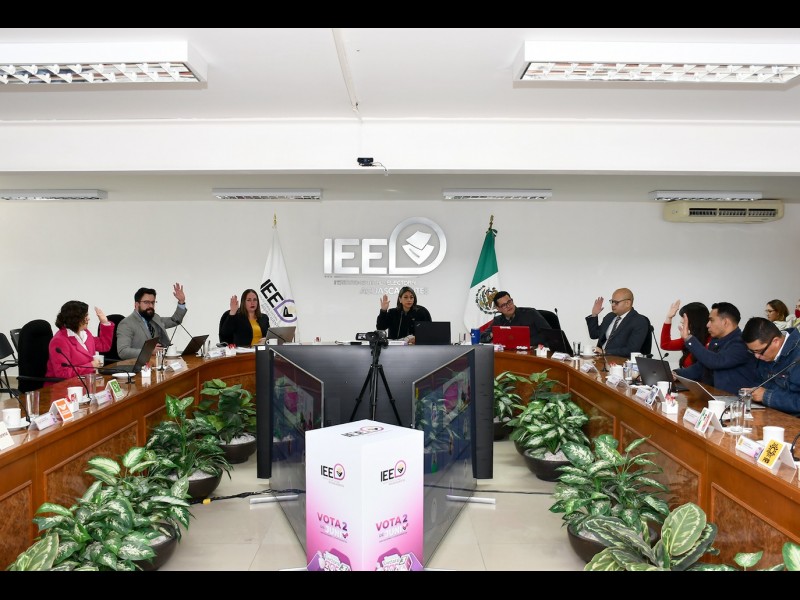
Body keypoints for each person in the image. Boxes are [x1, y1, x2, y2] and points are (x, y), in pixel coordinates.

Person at [674, 302, 758, 395]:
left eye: (711, 320)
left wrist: (688, 338)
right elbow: (701, 368)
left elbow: (716, 361)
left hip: (737, 401)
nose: (707, 325)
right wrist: (676, 374)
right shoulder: (716, 341)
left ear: (725, 322)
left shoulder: (741, 343)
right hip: (716, 397)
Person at [741, 317, 800, 415]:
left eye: (759, 351)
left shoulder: (797, 356)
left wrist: (766, 396)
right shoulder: (766, 354)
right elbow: (760, 382)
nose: (757, 356)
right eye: (752, 352)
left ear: (775, 341)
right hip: (770, 415)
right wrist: (754, 392)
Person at [46, 301, 115, 380]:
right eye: (85, 316)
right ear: (75, 319)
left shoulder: (85, 333)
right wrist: (91, 365)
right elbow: (63, 373)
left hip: (87, 380)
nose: (88, 318)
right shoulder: (59, 341)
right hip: (65, 385)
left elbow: (104, 345)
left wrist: (104, 322)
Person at [117, 283, 187, 360]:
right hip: (138, 364)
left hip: (158, 362)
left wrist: (181, 301)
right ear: (137, 304)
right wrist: (149, 351)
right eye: (146, 302)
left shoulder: (155, 318)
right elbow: (123, 352)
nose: (150, 306)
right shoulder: (126, 324)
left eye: (153, 302)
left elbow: (175, 321)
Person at [585, 288, 649, 358]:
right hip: (600, 358)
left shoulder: (639, 321)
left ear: (627, 303)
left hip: (620, 361)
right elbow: (594, 335)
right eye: (612, 301)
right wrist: (594, 314)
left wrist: (605, 352)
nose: (613, 305)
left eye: (616, 302)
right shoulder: (610, 316)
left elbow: (632, 350)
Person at [479, 291, 551, 348]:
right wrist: (492, 334)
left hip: (533, 352)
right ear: (498, 309)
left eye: (509, 302)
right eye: (504, 305)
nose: (508, 306)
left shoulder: (531, 313)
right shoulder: (498, 320)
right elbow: (481, 337)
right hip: (510, 355)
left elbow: (548, 333)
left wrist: (525, 342)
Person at [660, 300, 710, 368]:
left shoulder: (711, 341)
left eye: (683, 317)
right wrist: (669, 318)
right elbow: (665, 344)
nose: (681, 321)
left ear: (695, 319)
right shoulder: (690, 338)